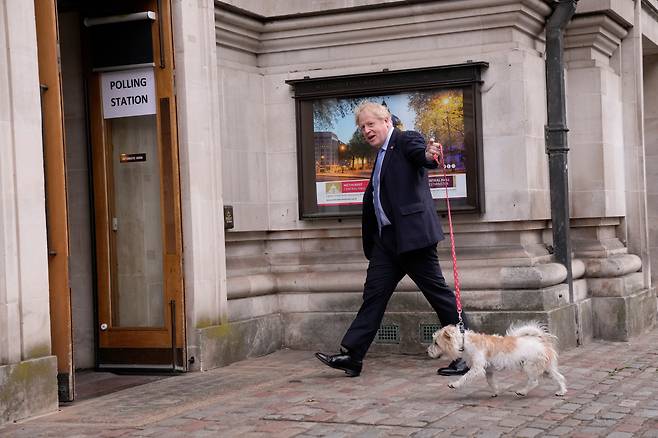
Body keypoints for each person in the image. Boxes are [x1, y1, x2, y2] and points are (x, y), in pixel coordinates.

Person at [315, 101, 468, 377]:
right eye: (362, 127)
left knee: (441, 297)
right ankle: (353, 355)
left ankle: (466, 354)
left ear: (386, 121)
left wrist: (431, 155)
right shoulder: (381, 155)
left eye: (370, 124)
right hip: (387, 244)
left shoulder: (404, 140)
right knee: (373, 297)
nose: (366, 131)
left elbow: (423, 156)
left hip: (413, 240)